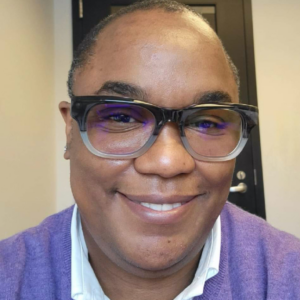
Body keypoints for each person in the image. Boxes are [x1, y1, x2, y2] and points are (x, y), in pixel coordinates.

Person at [1, 1, 300, 299]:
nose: (168, 162)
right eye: (122, 117)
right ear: (70, 129)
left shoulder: (286, 276)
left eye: (207, 122)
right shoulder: (10, 277)